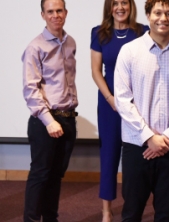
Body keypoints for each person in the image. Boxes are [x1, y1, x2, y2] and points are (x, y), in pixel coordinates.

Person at [114, 0, 169, 221]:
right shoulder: (129, 51)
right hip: (137, 146)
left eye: (168, 13)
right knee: (132, 212)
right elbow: (122, 100)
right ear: (148, 15)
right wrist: (149, 137)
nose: (163, 18)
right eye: (157, 12)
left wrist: (167, 138)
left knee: (166, 214)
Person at [90, 0, 149, 220]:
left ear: (131, 5)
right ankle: (106, 210)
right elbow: (96, 71)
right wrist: (111, 99)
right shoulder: (99, 33)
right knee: (109, 154)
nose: (120, 7)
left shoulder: (143, 31)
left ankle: (135, 207)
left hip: (138, 102)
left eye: (124, 2)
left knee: (137, 157)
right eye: (115, 3)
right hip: (110, 103)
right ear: (110, 7)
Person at [22, 0, 78, 221]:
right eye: (50, 11)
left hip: (68, 119)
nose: (56, 15)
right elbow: (30, 89)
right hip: (46, 121)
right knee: (40, 175)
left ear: (65, 12)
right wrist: (49, 120)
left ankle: (50, 218)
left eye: (59, 10)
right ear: (43, 15)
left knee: (56, 177)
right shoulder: (35, 47)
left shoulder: (71, 42)